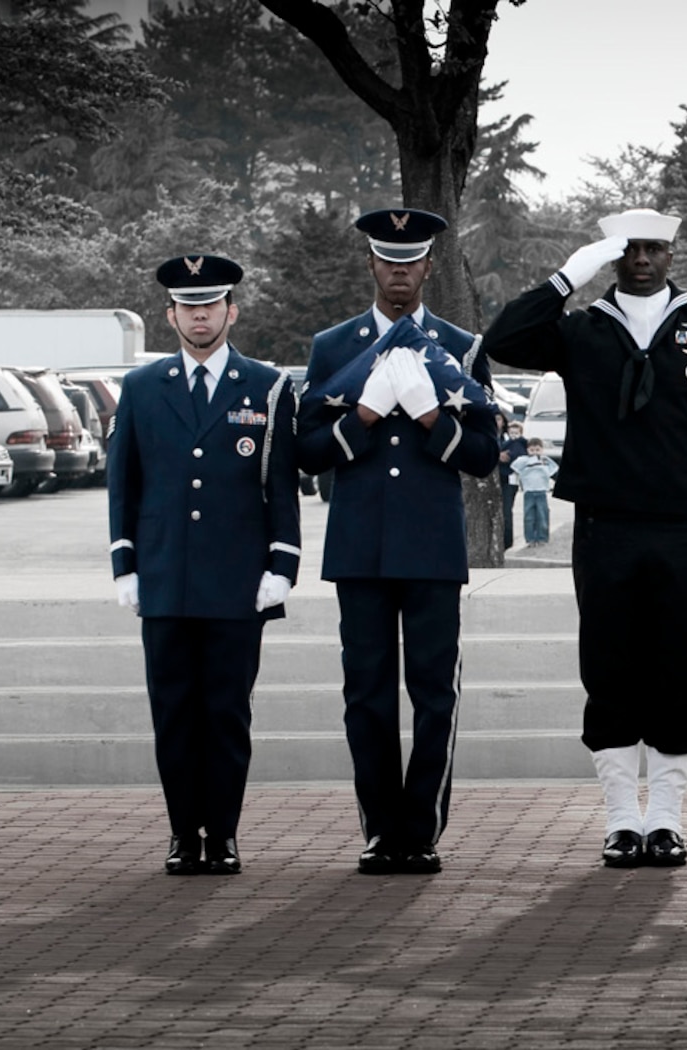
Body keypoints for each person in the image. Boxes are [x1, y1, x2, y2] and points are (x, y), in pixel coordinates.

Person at [482, 207, 687, 869]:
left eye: (653, 249)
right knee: (611, 671)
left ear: (671, 255)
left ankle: (668, 821)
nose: (642, 260)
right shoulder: (581, 330)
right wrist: (570, 275)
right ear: (613, 258)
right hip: (604, 528)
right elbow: (504, 338)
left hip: (681, 531)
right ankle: (623, 820)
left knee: (677, 674)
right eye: (629, 251)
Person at [295, 208, 501, 876]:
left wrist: (432, 416)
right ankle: (382, 828)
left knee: (434, 693)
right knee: (367, 694)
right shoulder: (335, 347)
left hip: (433, 551)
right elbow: (309, 453)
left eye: (411, 262)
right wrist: (363, 415)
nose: (399, 273)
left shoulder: (461, 347)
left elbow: (483, 456)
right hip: (360, 549)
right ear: (372, 266)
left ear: (429, 267)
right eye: (388, 261)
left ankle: (422, 827)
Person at [108, 254, 300, 875]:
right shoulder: (141, 388)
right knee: (173, 715)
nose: (199, 315)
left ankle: (222, 835)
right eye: (188, 307)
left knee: (226, 714)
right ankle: (180, 834)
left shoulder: (267, 386)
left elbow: (281, 485)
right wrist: (125, 565)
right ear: (171, 315)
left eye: (210, 305)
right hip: (164, 579)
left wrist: (282, 565)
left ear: (230, 311)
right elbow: (124, 485)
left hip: (236, 584)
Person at [508, 438, 558, 544]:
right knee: (529, 517)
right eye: (532, 450)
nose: (535, 452)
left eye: (537, 450)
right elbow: (514, 468)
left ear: (542, 449)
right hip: (528, 492)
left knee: (542, 516)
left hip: (541, 491)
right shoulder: (523, 460)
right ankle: (530, 538)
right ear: (527, 450)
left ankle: (542, 538)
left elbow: (554, 471)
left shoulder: (545, 460)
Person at [497, 414, 521, 550]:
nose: (496, 422)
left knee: (506, 511)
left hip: (508, 479)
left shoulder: (510, 437)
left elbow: (520, 452)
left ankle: (507, 542)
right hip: (491, 479)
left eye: (499, 419)